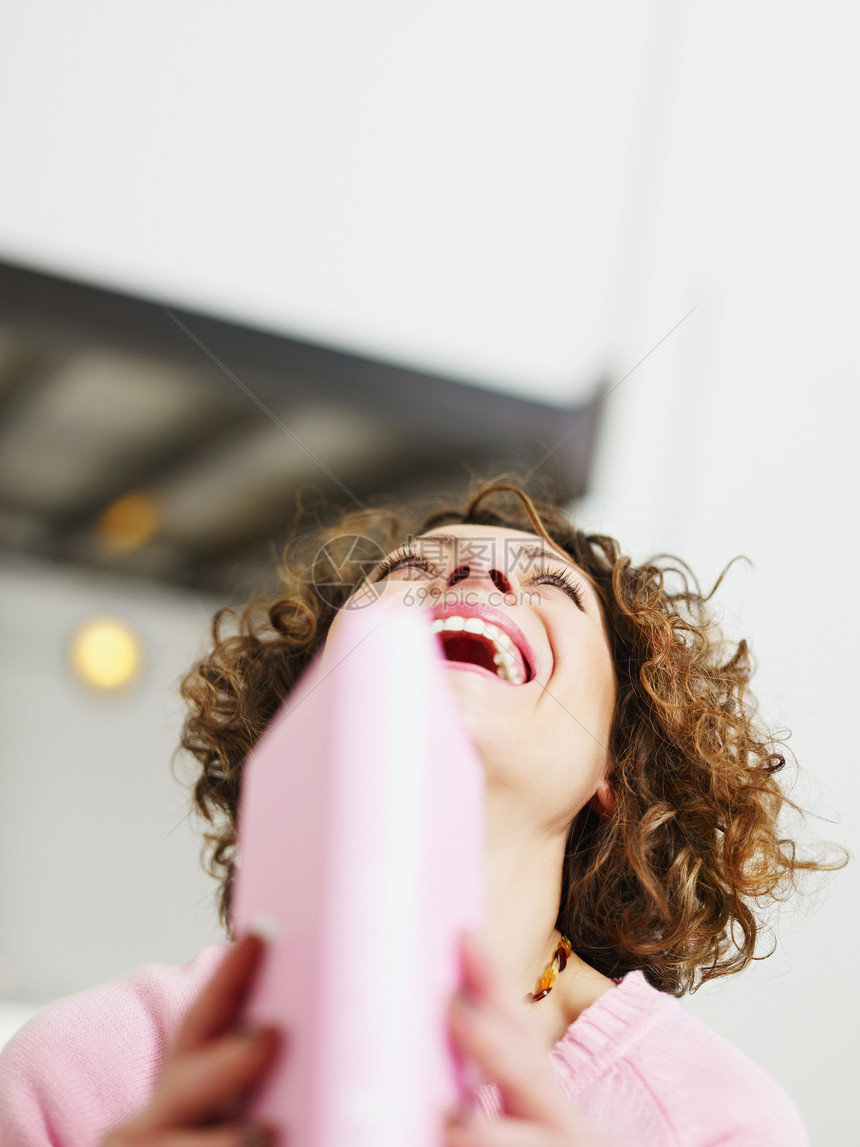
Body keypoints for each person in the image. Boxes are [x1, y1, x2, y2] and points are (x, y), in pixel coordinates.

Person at [0, 481, 841, 1146]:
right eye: (408, 570)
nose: (476, 574)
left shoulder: (717, 1124)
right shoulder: (86, 1071)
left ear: (614, 765)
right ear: (308, 708)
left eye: (552, 584)